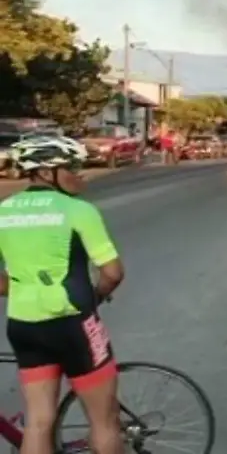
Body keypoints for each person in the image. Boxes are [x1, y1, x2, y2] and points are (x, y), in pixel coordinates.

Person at [0, 137, 125, 454]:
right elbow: (112, 272)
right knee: (104, 421)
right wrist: (96, 296)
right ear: (44, 172)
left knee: (39, 422)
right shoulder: (78, 210)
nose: (79, 173)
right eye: (70, 166)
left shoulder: (3, 211)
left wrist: (28, 291)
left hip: (24, 324)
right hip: (73, 324)